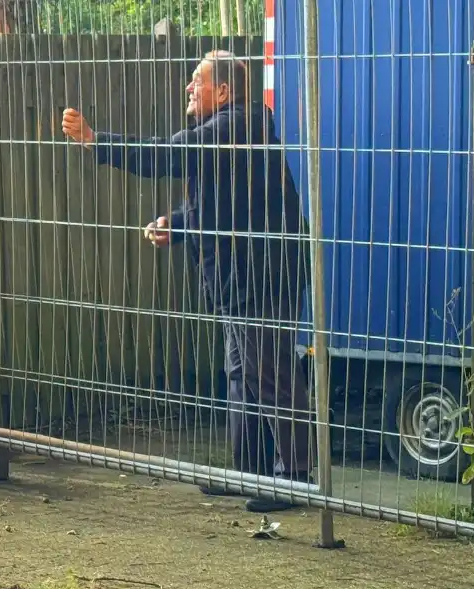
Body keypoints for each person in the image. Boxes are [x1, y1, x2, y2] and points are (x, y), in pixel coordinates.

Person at [61, 51, 313, 514]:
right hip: (241, 274)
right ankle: (251, 472)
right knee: (242, 375)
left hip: (262, 275)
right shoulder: (226, 132)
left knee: (270, 372)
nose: (188, 89)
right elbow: (224, 209)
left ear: (223, 90)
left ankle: (293, 478)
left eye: (196, 81)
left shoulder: (233, 127)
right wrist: (177, 225)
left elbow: (169, 153)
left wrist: (99, 142)